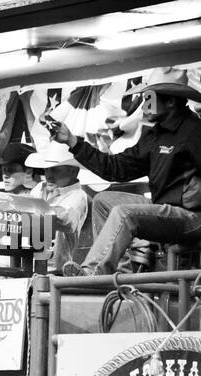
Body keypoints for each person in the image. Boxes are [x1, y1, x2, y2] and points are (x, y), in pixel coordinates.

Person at [52, 68, 201, 278]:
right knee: (103, 200)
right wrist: (73, 142)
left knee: (125, 213)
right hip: (166, 210)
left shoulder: (195, 131)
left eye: (150, 99)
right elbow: (116, 168)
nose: (143, 105)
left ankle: (93, 273)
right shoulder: (154, 136)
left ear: (171, 102)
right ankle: (117, 273)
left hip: (192, 218)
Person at [24, 142, 90, 274]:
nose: (49, 174)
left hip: (55, 271)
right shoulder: (39, 188)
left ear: (73, 171)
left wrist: (33, 209)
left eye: (55, 169)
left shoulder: (78, 196)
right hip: (29, 263)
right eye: (47, 169)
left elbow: (66, 220)